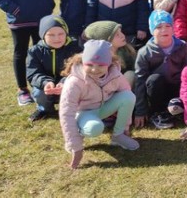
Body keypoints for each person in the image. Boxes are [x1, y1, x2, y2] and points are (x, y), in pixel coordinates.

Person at [59, 40, 139, 170]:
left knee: (128, 96)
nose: (95, 69)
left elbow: (126, 94)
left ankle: (118, 135)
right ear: (83, 62)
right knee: (95, 128)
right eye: (89, 64)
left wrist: (125, 127)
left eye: (101, 65)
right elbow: (66, 112)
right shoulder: (74, 81)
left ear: (108, 64)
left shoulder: (115, 74)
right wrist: (75, 146)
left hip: (102, 108)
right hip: (83, 113)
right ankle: (78, 133)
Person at [134, 10, 187, 130]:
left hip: (176, 86)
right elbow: (140, 81)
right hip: (157, 90)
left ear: (173, 29)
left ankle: (182, 108)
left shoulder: (183, 47)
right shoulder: (144, 53)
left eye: (168, 26)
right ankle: (158, 112)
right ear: (152, 31)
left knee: (186, 76)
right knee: (154, 80)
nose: (164, 30)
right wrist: (140, 111)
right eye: (158, 27)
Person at [26, 15, 81, 122]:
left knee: (76, 89)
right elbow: (33, 73)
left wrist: (65, 82)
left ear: (66, 33)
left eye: (61, 34)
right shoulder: (34, 51)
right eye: (51, 35)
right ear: (43, 36)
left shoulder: (75, 48)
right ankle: (45, 109)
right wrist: (45, 83)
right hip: (47, 87)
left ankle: (71, 109)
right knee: (38, 92)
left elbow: (78, 69)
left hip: (68, 83)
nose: (57, 38)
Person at [83, 21, 137, 85]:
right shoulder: (95, 57)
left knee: (130, 75)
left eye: (121, 32)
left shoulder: (127, 52)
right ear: (106, 40)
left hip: (120, 89)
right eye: (117, 35)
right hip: (98, 89)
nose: (123, 36)